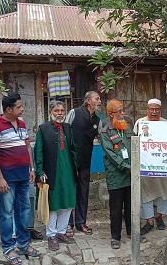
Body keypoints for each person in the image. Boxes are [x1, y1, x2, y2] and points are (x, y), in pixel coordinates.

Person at [0, 93, 40, 265]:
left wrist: (32, 169)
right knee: (6, 214)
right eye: (19, 106)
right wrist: (0, 178)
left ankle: (23, 244)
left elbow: (27, 146)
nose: (22, 108)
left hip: (24, 176)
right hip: (7, 179)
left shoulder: (22, 124)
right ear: (8, 109)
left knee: (23, 210)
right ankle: (8, 248)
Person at [35, 101, 77, 251]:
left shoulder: (67, 127)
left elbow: (73, 150)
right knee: (53, 203)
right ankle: (51, 235)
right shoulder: (43, 129)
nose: (60, 113)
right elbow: (38, 151)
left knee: (67, 202)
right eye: (57, 110)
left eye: (62, 110)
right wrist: (40, 171)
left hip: (68, 171)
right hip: (51, 172)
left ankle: (61, 232)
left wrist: (76, 168)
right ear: (50, 112)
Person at [133, 99, 167, 235]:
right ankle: (149, 220)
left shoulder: (166, 124)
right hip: (146, 165)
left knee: (165, 191)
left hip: (162, 165)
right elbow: (135, 142)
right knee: (146, 193)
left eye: (156, 109)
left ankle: (159, 217)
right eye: (151, 109)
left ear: (160, 110)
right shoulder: (140, 123)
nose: (154, 112)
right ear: (147, 110)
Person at [64, 91, 102, 235]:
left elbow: (102, 138)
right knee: (70, 191)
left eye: (99, 99)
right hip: (70, 160)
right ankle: (67, 223)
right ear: (87, 101)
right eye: (96, 99)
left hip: (85, 160)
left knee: (83, 191)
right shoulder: (74, 113)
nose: (99, 101)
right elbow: (65, 132)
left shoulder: (97, 120)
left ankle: (81, 222)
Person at [100, 99, 133, 249]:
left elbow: (136, 144)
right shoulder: (105, 131)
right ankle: (115, 237)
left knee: (130, 205)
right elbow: (111, 154)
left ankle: (132, 232)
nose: (122, 113)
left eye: (122, 110)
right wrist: (126, 166)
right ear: (111, 114)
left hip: (131, 173)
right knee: (116, 207)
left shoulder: (128, 126)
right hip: (116, 174)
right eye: (119, 111)